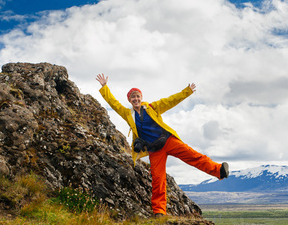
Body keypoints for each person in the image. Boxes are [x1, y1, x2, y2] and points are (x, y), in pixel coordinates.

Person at [96, 73, 228, 217]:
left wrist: (187, 92)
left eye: (137, 96)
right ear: (129, 100)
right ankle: (159, 211)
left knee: (193, 155)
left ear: (141, 97)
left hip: (168, 141)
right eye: (132, 97)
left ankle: (219, 170)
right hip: (154, 150)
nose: (135, 99)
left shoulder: (152, 108)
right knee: (158, 179)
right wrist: (104, 87)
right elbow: (113, 104)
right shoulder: (128, 114)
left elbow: (170, 101)